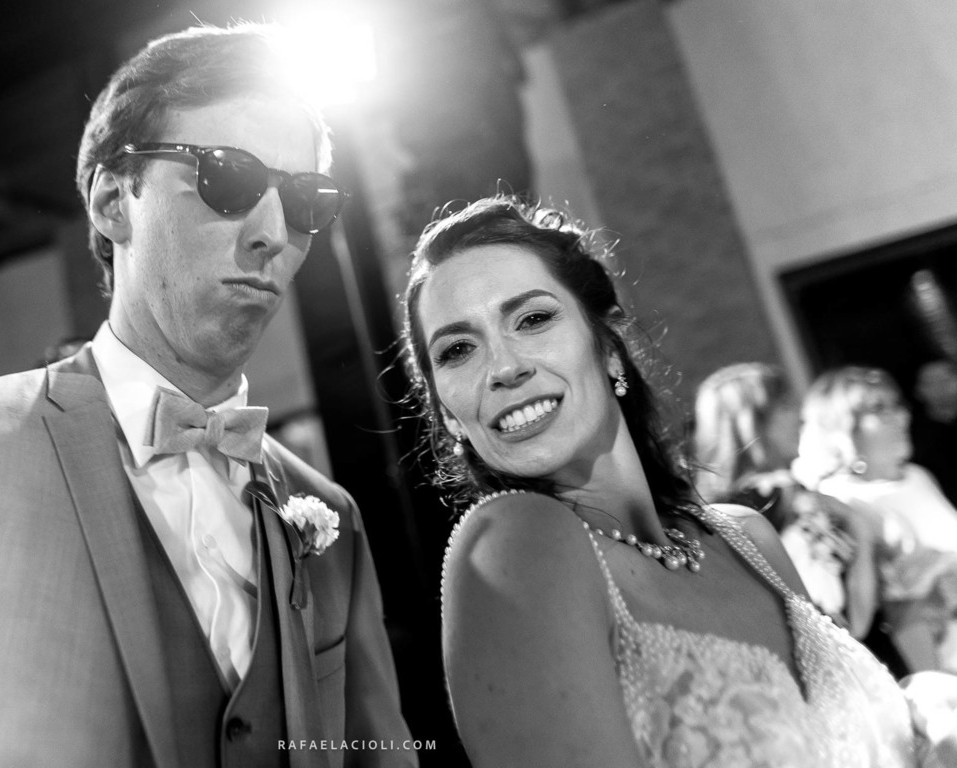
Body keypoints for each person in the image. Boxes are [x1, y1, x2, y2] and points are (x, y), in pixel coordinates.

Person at [0, 23, 416, 768]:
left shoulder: (331, 518)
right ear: (111, 201)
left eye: (302, 200)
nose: (272, 232)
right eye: (228, 178)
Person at [399, 195, 953, 767]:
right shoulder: (514, 542)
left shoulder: (750, 540)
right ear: (446, 412)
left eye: (533, 319)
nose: (504, 367)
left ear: (608, 345)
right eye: (458, 350)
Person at [693, 362, 878, 640]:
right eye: (786, 406)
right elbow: (848, 623)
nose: (800, 417)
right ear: (752, 422)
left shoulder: (721, 513)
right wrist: (858, 528)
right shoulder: (774, 499)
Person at [797, 366, 957, 675]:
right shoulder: (839, 499)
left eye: (897, 404)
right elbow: (860, 616)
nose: (900, 417)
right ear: (841, 427)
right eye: (878, 409)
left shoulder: (917, 476)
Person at [910, 359, 957, 506]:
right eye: (931, 382)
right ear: (918, 391)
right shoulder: (914, 437)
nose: (941, 387)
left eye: (946, 379)